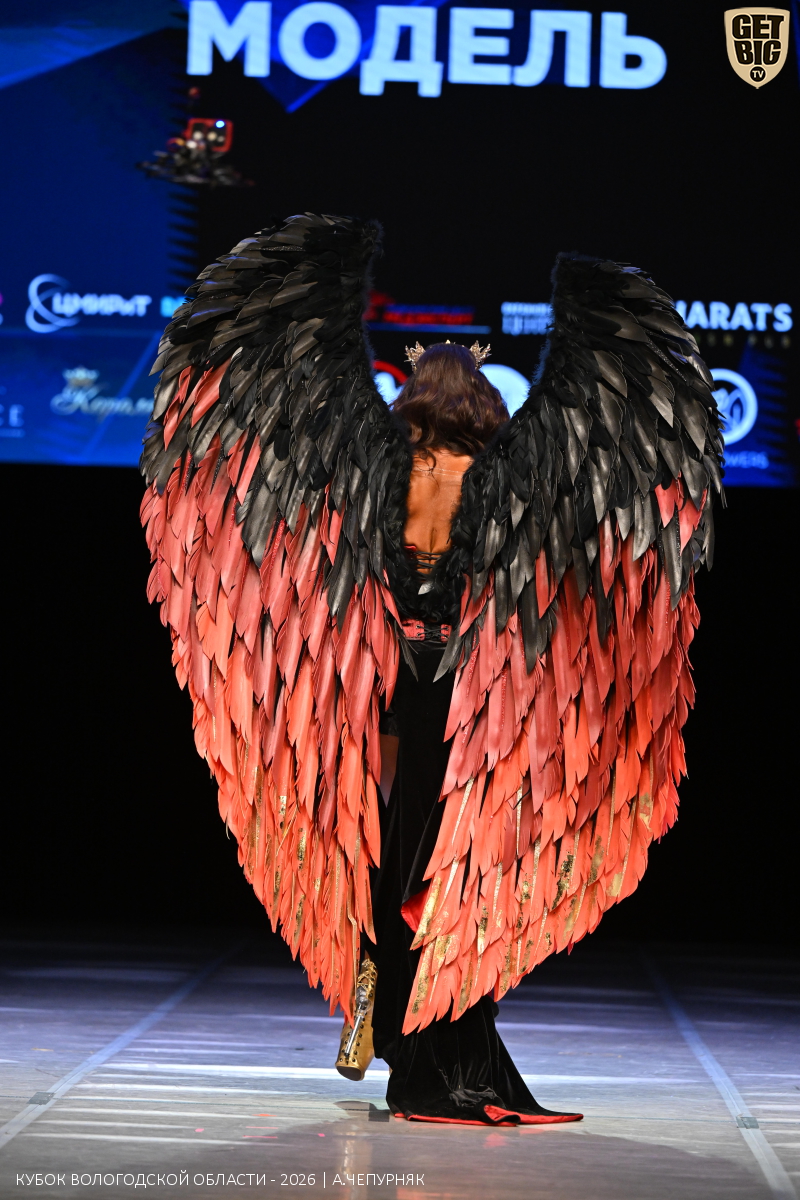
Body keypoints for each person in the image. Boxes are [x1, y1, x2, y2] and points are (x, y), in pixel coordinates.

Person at [141, 213, 723, 1127]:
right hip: (465, 687)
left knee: (391, 849)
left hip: (385, 683)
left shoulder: (378, 466)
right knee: (446, 864)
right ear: (483, 398)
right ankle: (434, 1055)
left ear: (413, 392)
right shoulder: (504, 475)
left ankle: (384, 1022)